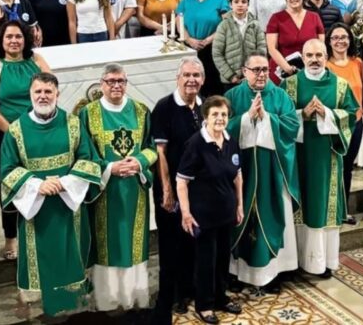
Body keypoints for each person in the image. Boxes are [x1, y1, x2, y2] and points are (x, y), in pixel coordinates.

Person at [0, 72, 101, 316]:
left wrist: (65, 182)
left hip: (69, 203)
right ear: (30, 94)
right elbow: (7, 170)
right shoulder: (15, 131)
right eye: (38, 92)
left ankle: (75, 309)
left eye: (48, 91)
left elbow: (89, 159)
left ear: (57, 94)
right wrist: (36, 185)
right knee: (44, 257)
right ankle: (47, 311)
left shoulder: (74, 123)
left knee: (71, 254)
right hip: (36, 206)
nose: (43, 96)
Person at [79, 64, 157, 311]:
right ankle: (107, 300)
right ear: (101, 83)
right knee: (108, 243)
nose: (116, 86)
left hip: (134, 188)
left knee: (132, 243)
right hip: (105, 191)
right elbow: (83, 153)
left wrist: (140, 161)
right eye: (111, 81)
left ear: (126, 82)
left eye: (121, 81)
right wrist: (109, 168)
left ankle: (135, 296)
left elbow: (152, 147)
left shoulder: (141, 111)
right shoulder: (88, 114)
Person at [280, 39, 358, 278]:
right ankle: (294, 262)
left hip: (327, 157)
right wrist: (301, 114)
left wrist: (328, 114)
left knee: (322, 206)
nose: (314, 60)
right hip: (297, 157)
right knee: (298, 203)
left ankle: (322, 262)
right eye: (309, 55)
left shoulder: (341, 85)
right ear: (302, 57)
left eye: (318, 55)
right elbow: (280, 117)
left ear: (326, 56)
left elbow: (352, 115)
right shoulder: (289, 84)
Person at [225, 53, 301, 293]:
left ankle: (274, 272)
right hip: (242, 172)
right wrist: (246, 118)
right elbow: (220, 127)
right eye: (255, 70)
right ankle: (238, 272)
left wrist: (266, 118)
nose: (261, 75)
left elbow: (291, 127)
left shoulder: (279, 95)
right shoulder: (231, 96)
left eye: (264, 70)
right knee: (240, 217)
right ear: (244, 71)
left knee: (273, 215)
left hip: (273, 170)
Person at [0, 20, 51, 260]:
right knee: (11, 184)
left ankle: (39, 232)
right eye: (9, 37)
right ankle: (11, 237)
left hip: (37, 131)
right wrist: (14, 132)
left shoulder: (36, 61)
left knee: (39, 179)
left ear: (26, 39)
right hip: (4, 133)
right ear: (1, 39)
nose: (14, 41)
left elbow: (50, 92)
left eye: (18, 36)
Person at [177, 95, 244, 324]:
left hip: (226, 213)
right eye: (215, 114)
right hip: (202, 216)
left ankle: (220, 298)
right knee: (206, 261)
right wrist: (186, 213)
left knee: (223, 258)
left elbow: (237, 175)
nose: (220, 118)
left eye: (224, 114)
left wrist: (240, 205)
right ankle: (204, 305)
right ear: (205, 117)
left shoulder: (230, 140)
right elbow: (182, 181)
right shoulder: (195, 143)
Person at [150, 58, 205, 323]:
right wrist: (167, 191)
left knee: (191, 243)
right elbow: (160, 153)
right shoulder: (164, 107)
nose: (191, 80)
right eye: (187, 75)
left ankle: (188, 291)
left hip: (196, 190)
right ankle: (170, 296)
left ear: (202, 79)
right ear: (177, 78)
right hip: (170, 187)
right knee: (171, 245)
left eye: (196, 75)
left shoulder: (203, 106)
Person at [326, 23, 363, 225]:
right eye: (335, 38)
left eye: (344, 37)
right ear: (329, 41)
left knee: (347, 166)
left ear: (350, 40)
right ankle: (330, 209)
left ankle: (343, 211)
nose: (340, 41)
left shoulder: (357, 62)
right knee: (334, 166)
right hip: (334, 124)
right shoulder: (325, 65)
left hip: (356, 122)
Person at [177, 0, 230, 96]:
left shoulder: (221, 0)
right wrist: (188, 39)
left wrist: (207, 40)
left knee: (210, 88)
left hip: (212, 49)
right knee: (188, 85)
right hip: (188, 47)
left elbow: (227, 23)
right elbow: (178, 19)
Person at [266, 0, 325, 84]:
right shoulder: (276, 18)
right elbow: (272, 49)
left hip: (310, 71)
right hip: (282, 72)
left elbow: (321, 47)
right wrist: (287, 68)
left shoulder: (314, 17)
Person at [212, 0, 267, 89]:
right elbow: (217, 54)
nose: (240, 4)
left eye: (244, 2)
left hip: (253, 78)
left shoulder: (256, 25)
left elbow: (262, 50)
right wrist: (231, 76)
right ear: (230, 4)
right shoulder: (224, 25)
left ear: (248, 5)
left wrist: (255, 72)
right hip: (230, 81)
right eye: (236, 1)